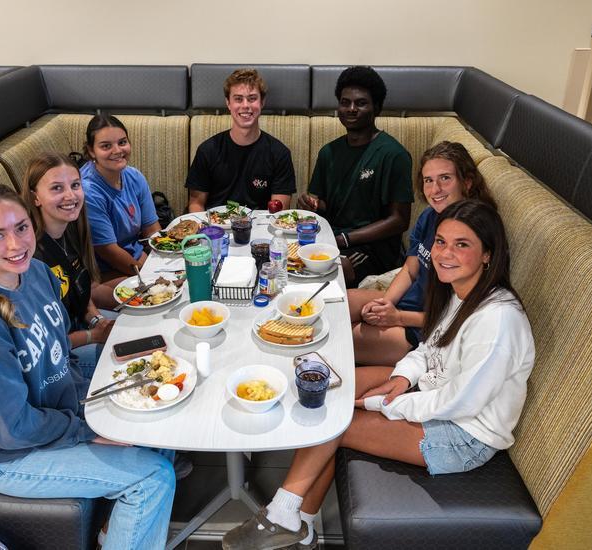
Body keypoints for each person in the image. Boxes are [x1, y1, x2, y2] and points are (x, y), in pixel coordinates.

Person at [222, 199, 535, 550]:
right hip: (435, 392)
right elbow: (429, 349)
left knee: (337, 423)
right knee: (332, 390)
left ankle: (281, 513)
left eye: (462, 245)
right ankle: (302, 524)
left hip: (463, 433)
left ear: (488, 255)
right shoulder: (461, 293)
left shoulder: (498, 320)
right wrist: (402, 378)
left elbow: (460, 402)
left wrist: (387, 405)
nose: (446, 253)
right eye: (441, 241)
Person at [0, 183, 176, 549]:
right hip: (9, 455)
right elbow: (11, 429)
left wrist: (95, 399)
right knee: (154, 478)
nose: (16, 244)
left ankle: (114, 533)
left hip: (51, 412)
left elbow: (58, 353)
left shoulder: (36, 273)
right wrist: (88, 430)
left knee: (155, 409)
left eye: (21, 228)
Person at [349, 141, 497, 366]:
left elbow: (458, 316)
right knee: (334, 304)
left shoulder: (475, 233)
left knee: (339, 340)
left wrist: (397, 317)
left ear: (466, 182)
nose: (435, 189)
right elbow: (410, 269)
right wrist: (386, 305)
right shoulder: (428, 217)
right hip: (407, 304)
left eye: (445, 178)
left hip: (426, 328)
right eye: (428, 180)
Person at [297, 66, 413, 288]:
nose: (351, 109)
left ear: (376, 108)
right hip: (333, 239)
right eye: (345, 102)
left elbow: (400, 220)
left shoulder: (393, 154)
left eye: (360, 103)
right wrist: (310, 204)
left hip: (373, 248)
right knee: (291, 262)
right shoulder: (329, 152)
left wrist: (346, 240)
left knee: (333, 275)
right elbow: (325, 205)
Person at [21, 152, 116, 377]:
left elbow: (80, 292)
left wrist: (97, 319)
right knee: (130, 355)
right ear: (35, 197)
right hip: (58, 356)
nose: (70, 195)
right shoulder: (31, 256)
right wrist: (94, 336)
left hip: (81, 328)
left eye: (75, 185)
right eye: (56, 188)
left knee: (140, 330)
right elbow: (45, 344)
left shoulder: (71, 228)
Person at [186, 68, 296, 212]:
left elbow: (279, 212)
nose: (245, 105)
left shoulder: (279, 154)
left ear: (262, 102)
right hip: (214, 230)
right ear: (228, 103)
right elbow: (196, 204)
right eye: (238, 99)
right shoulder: (208, 150)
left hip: (260, 230)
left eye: (252, 98)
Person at [81, 113, 161, 280]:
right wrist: (148, 276)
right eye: (106, 146)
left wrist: (164, 261)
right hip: (103, 271)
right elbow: (108, 252)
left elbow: (152, 229)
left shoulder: (134, 176)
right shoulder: (88, 191)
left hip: (136, 255)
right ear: (91, 151)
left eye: (122, 142)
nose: (117, 151)